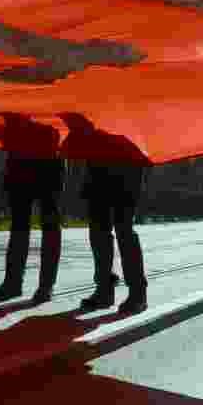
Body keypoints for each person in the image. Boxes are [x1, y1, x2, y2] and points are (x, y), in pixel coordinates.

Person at [0, 109, 66, 303]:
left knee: (38, 228)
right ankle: (29, 285)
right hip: (31, 166)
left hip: (43, 166)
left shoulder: (29, 122)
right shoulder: (16, 125)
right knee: (36, 228)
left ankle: (28, 285)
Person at [59, 113, 150, 315]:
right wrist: (77, 128)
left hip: (126, 173)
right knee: (100, 234)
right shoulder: (89, 115)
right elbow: (66, 151)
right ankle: (104, 290)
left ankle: (137, 294)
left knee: (123, 231)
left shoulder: (121, 111)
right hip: (99, 177)